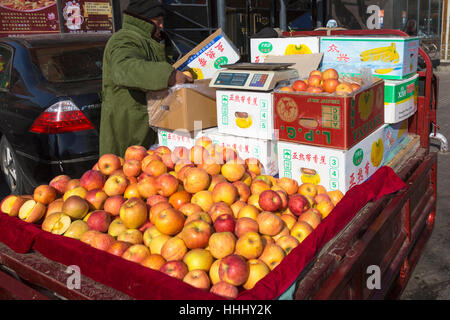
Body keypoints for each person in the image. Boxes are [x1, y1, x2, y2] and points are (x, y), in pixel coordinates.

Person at [99, 0, 192, 157]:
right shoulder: (124, 39)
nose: (162, 26)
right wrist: (169, 75)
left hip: (148, 127)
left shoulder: (149, 41)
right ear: (144, 20)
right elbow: (124, 68)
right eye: (158, 21)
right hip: (129, 130)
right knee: (125, 173)